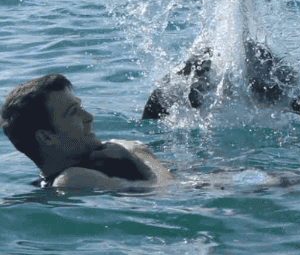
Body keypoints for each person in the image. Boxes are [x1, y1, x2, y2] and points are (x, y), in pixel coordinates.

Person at [1, 73, 172, 190]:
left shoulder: (89, 163)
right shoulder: (70, 180)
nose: (89, 117)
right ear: (46, 137)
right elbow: (164, 192)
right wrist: (141, 155)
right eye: (73, 112)